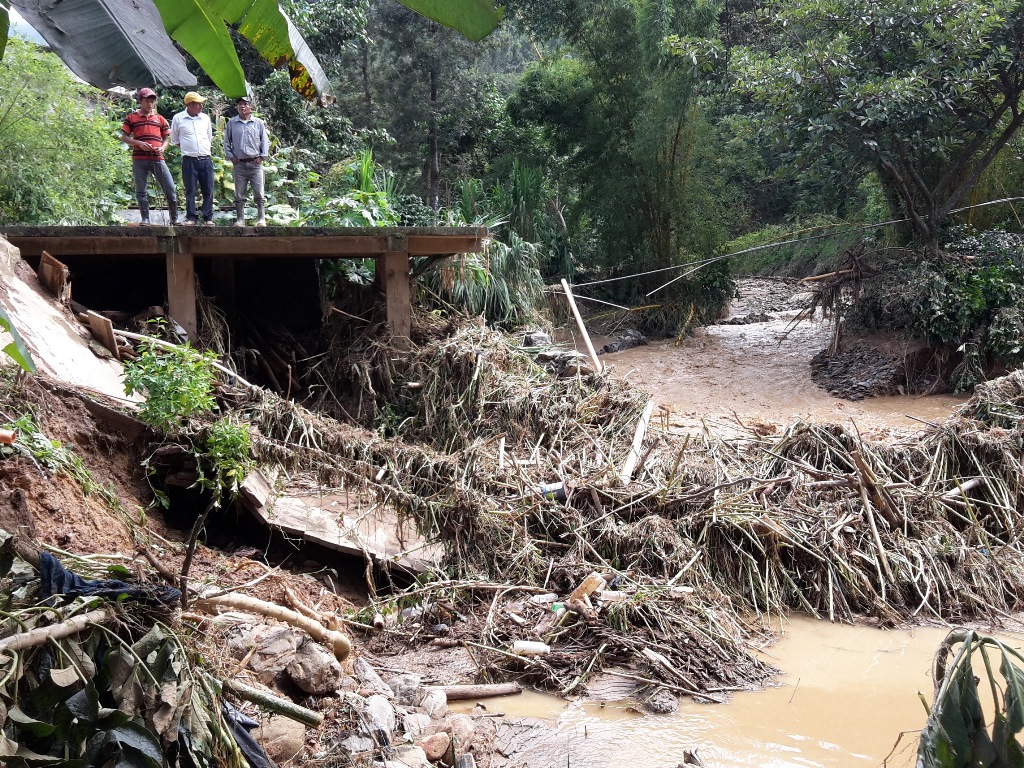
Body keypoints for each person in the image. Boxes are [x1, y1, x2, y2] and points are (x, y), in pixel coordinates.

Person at [120, 87, 178, 225]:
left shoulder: (160, 119)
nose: (150, 104)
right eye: (147, 101)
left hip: (157, 158)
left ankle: (174, 219)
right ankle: (145, 219)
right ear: (140, 101)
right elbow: (124, 137)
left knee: (170, 188)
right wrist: (138, 143)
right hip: (139, 159)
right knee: (141, 189)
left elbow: (166, 138)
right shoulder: (131, 117)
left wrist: (162, 148)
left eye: (152, 101)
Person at [170, 92, 215, 226]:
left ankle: (208, 218)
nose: (201, 106)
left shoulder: (205, 118)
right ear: (189, 104)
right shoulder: (178, 118)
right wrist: (190, 148)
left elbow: (209, 137)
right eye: (198, 104)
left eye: (201, 104)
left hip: (206, 159)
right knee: (190, 189)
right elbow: (175, 140)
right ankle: (192, 218)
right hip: (189, 160)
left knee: (208, 189)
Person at [223, 95, 270, 227]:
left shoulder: (258, 123)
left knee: (259, 192)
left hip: (255, 164)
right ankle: (240, 220)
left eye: (245, 103)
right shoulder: (232, 123)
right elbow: (226, 142)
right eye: (239, 104)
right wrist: (231, 157)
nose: (242, 106)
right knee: (239, 193)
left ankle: (261, 219)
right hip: (239, 164)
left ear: (251, 107)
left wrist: (262, 157)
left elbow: (265, 141)